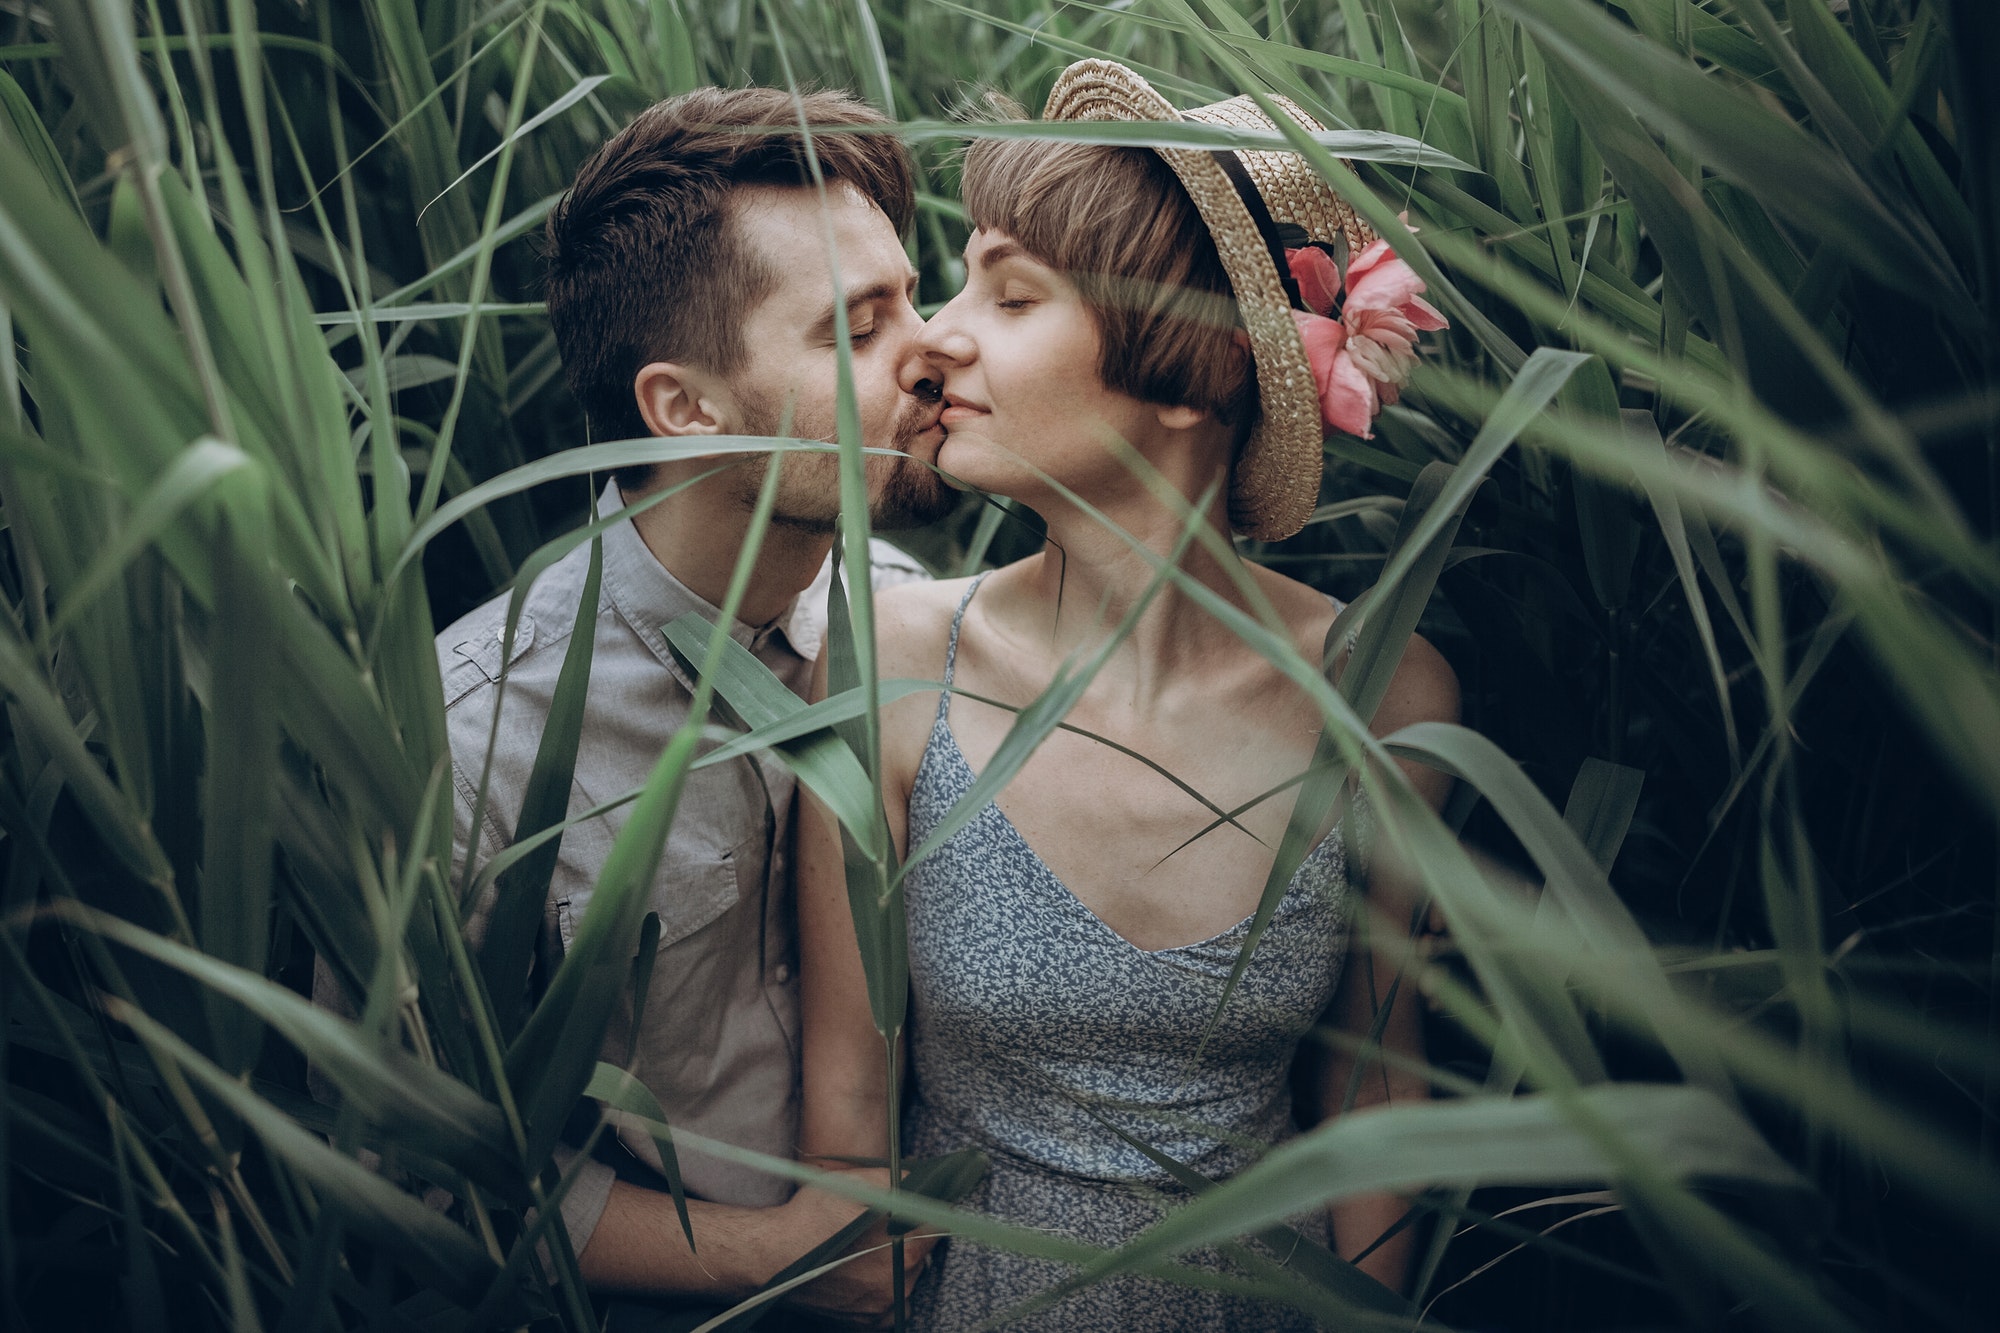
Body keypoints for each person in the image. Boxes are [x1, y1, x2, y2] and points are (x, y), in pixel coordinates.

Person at [796, 60, 1458, 1330]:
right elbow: (847, 1133)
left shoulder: (1382, 696)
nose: (935, 337)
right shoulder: (888, 660)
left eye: (1009, 295)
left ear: (1187, 372)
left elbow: (1374, 1104)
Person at [423, 87, 956, 1324]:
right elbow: (421, 1156)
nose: (931, 352)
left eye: (913, 299)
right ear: (684, 406)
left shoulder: (916, 624)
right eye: (857, 327)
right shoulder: (481, 737)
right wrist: (768, 1253)